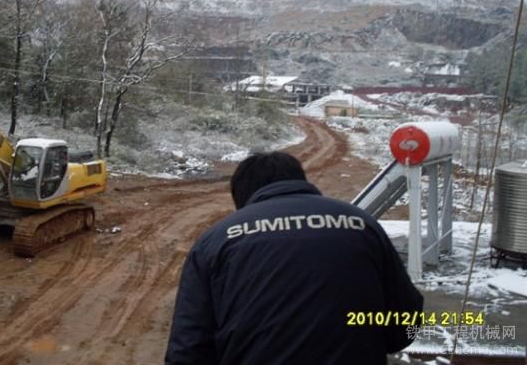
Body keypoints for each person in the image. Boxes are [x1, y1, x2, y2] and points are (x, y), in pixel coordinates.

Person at [165, 151, 423, 365]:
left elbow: (190, 345)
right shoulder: (361, 224)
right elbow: (407, 315)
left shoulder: (218, 239)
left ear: (243, 196)